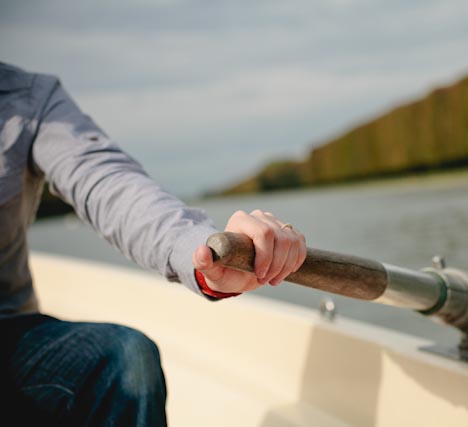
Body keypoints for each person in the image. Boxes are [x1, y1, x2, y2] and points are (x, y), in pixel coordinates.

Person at [0, 61, 307, 426]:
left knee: (125, 358)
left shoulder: (29, 97)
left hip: (11, 338)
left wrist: (205, 253)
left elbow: (114, 189)